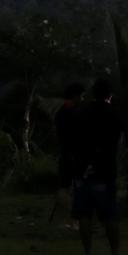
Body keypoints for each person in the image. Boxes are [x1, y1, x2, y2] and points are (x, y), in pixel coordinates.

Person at [72, 78, 126, 255]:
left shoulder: (80, 112)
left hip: (81, 169)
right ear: (109, 95)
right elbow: (120, 137)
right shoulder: (113, 113)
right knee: (109, 215)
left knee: (84, 215)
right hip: (105, 169)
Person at [50, 82, 85, 226]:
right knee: (75, 186)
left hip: (65, 152)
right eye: (81, 96)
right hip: (73, 153)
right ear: (75, 96)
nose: (82, 99)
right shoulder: (73, 112)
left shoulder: (61, 111)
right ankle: (72, 218)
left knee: (65, 185)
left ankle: (64, 217)